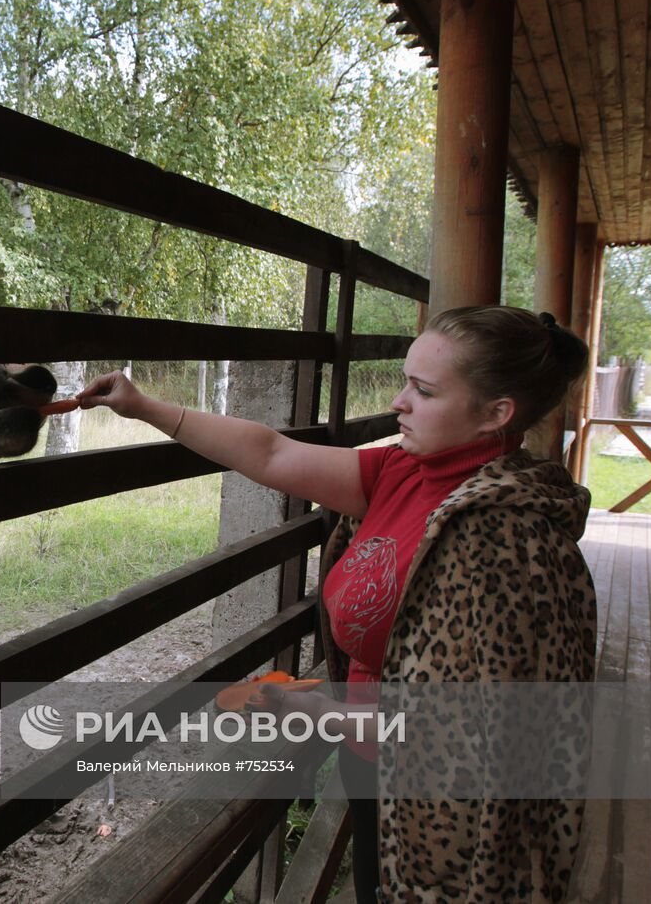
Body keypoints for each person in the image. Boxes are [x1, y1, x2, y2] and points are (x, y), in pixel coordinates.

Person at [75, 306, 596, 903]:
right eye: (405, 381)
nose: (398, 402)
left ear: (496, 414)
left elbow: (465, 731)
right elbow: (270, 454)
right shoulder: (403, 471)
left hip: (452, 821)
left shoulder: (507, 540)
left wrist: (317, 709)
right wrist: (144, 406)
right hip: (379, 774)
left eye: (423, 391)